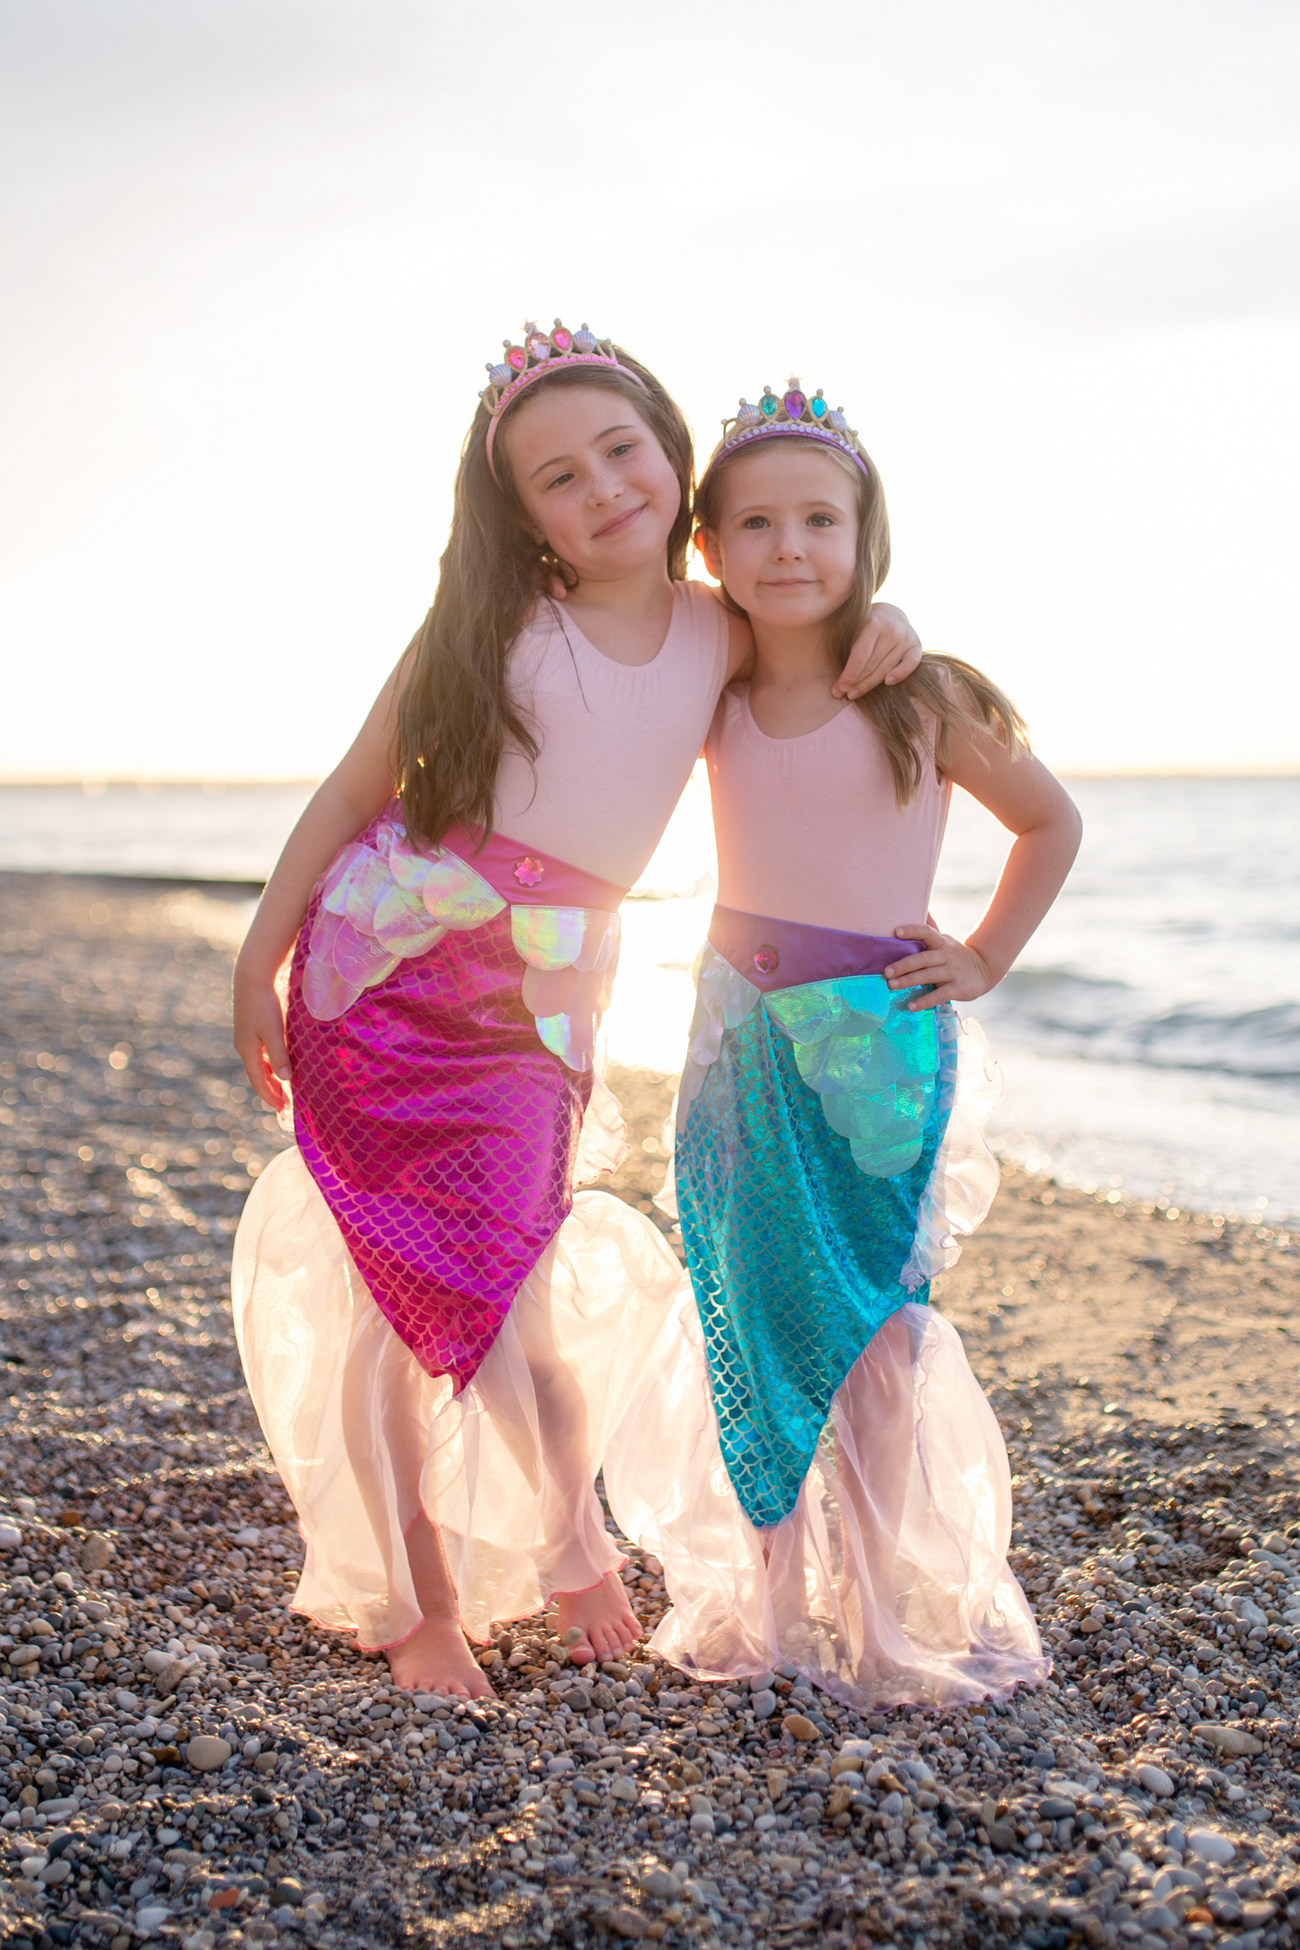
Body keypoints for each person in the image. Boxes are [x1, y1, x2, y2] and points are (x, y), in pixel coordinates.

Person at [228, 325, 923, 1698]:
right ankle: (426, 1599)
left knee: (507, 1274)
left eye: (621, 449)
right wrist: (261, 954)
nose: (603, 487)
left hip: (546, 987)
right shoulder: (489, 624)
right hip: (385, 963)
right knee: (392, 1290)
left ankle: (567, 1531)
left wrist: (893, 627)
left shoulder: (720, 629)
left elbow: (821, 633)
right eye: (558, 476)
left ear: (672, 455)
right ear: (520, 514)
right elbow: (354, 786)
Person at [605, 379, 1082, 1707]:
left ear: (866, 532)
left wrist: (982, 954)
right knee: (749, 1314)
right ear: (708, 549)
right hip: (735, 1042)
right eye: (754, 523)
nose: (791, 547)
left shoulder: (915, 693)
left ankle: (879, 1616)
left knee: (877, 1329)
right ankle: (770, 1606)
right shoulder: (713, 685)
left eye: (821, 518)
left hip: (877, 1051)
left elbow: (1051, 822)